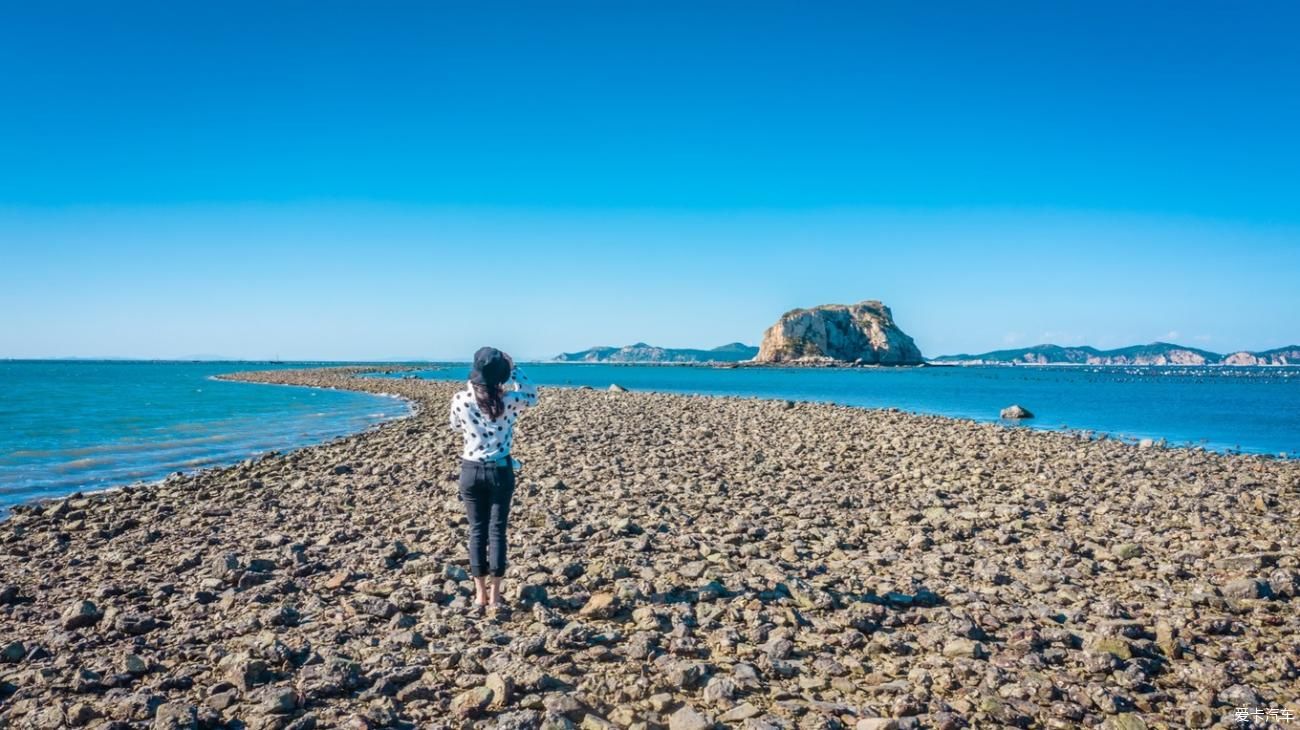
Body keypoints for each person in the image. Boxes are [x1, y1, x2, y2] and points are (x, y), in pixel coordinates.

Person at [448, 346, 538, 610]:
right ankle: (496, 596)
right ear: (502, 375)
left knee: (477, 531)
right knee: (497, 531)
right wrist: (514, 368)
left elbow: (454, 425)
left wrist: (474, 384)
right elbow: (532, 395)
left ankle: (479, 595)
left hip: (471, 470)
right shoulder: (508, 401)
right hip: (500, 470)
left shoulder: (461, 399)